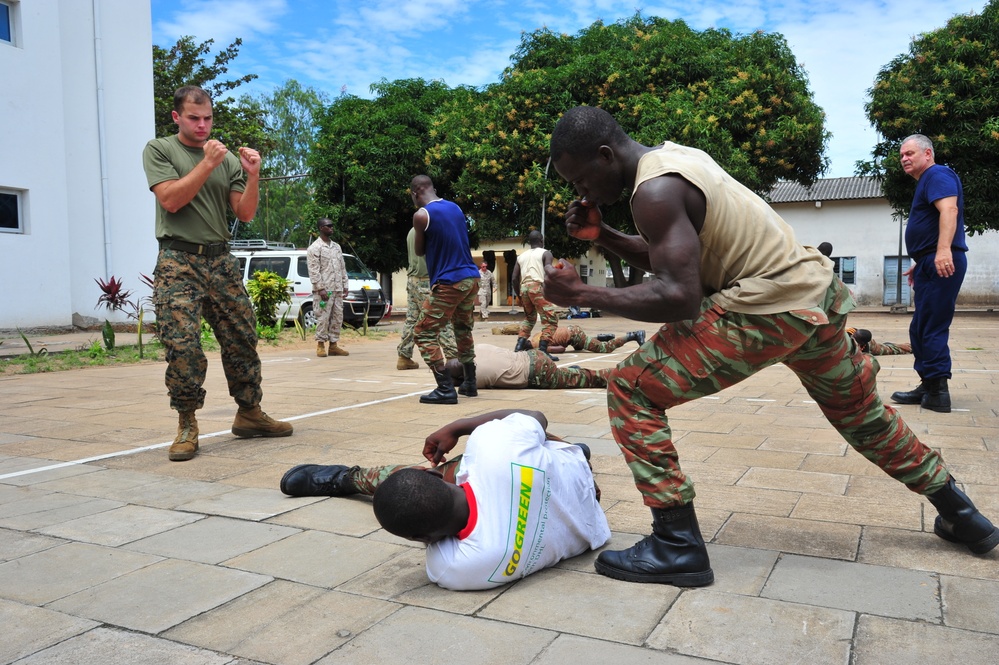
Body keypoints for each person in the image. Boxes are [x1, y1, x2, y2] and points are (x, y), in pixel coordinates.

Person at [540, 106, 997, 586]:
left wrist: (581, 294)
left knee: (631, 389)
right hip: (811, 299)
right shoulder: (675, 160)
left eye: (580, 180)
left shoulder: (652, 191)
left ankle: (676, 545)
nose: (581, 193)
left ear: (606, 155)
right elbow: (676, 254)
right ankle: (961, 513)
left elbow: (679, 294)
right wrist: (604, 236)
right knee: (863, 417)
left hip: (767, 306)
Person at [279, 409, 610, 591]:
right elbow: (536, 415)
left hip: (592, 519)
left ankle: (345, 478)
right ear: (437, 476)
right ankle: (572, 451)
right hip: (576, 480)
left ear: (421, 540)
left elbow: (426, 522)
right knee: (516, 441)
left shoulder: (456, 570)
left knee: (411, 485)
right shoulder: (492, 445)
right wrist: (459, 427)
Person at [142, 85, 293, 463]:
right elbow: (171, 200)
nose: (203, 125)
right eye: (194, 118)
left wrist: (253, 174)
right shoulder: (160, 149)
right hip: (179, 260)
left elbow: (244, 213)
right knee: (183, 344)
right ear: (177, 117)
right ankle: (187, 423)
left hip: (220, 259)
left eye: (208, 118)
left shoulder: (226, 160)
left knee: (242, 336)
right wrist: (206, 163)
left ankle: (249, 413)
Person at [890, 134, 968, 414]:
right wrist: (923, 258)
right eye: (902, 156)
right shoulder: (928, 180)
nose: (904, 159)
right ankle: (928, 383)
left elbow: (949, 209)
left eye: (910, 153)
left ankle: (938, 392)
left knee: (932, 326)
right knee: (920, 327)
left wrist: (943, 251)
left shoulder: (938, 174)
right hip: (929, 261)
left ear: (928, 154)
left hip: (942, 260)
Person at [410, 175, 480, 404]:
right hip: (471, 277)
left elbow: (419, 251)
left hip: (450, 281)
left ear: (415, 193)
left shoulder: (421, 216)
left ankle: (445, 388)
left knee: (423, 332)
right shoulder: (455, 207)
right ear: (433, 188)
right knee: (462, 328)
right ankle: (469, 383)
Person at [396, 227, 458, 370]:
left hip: (413, 280)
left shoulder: (412, 230)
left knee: (412, 319)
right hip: (428, 280)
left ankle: (404, 357)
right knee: (441, 318)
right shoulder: (431, 230)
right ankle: (452, 357)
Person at [445, 343, 610, 390]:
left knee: (587, 379)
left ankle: (616, 375)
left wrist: (451, 380)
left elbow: (460, 385)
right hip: (533, 355)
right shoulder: (477, 348)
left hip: (537, 374)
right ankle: (570, 372)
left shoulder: (478, 375)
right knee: (567, 375)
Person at [512, 230, 561, 360]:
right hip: (537, 287)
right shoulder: (546, 253)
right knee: (550, 319)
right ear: (541, 241)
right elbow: (549, 273)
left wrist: (519, 295)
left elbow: (514, 278)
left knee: (529, 318)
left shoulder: (521, 257)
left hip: (524, 288)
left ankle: (519, 347)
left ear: (529, 242)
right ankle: (543, 351)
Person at [306, 218, 349, 358]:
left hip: (337, 289)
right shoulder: (314, 248)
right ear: (321, 228)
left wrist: (345, 285)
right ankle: (320, 344)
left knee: (337, 317)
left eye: (332, 226)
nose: (331, 228)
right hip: (324, 290)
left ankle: (333, 345)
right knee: (323, 317)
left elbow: (342, 267)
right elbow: (313, 270)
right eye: (328, 226)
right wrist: (320, 288)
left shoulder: (337, 247)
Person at [525, 324, 645, 355]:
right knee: (580, 346)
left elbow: (561, 348)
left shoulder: (538, 346)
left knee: (604, 348)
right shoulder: (535, 335)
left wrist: (550, 350)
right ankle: (600, 337)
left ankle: (632, 335)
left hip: (574, 336)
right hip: (571, 331)